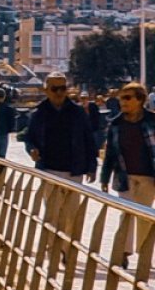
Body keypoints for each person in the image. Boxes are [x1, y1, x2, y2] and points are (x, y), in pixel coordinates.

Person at [26, 73, 98, 265]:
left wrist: (92, 166)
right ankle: (53, 247)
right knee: (53, 213)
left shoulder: (77, 112)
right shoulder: (38, 114)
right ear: (46, 90)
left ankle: (67, 248)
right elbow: (29, 137)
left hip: (74, 169)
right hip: (49, 169)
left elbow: (88, 139)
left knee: (71, 214)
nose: (59, 93)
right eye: (54, 89)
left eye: (62, 88)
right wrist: (31, 149)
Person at [99, 83, 155, 265]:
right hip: (124, 176)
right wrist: (104, 178)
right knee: (126, 215)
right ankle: (123, 251)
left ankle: (143, 254)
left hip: (148, 177)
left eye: (128, 98)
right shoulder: (116, 123)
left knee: (144, 217)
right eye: (121, 98)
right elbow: (110, 154)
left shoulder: (152, 121)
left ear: (140, 100)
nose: (123, 102)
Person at [0, 87, 19, 160]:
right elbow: (12, 122)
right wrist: (9, 130)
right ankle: (1, 170)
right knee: (2, 154)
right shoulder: (9, 109)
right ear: (4, 96)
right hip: (4, 132)